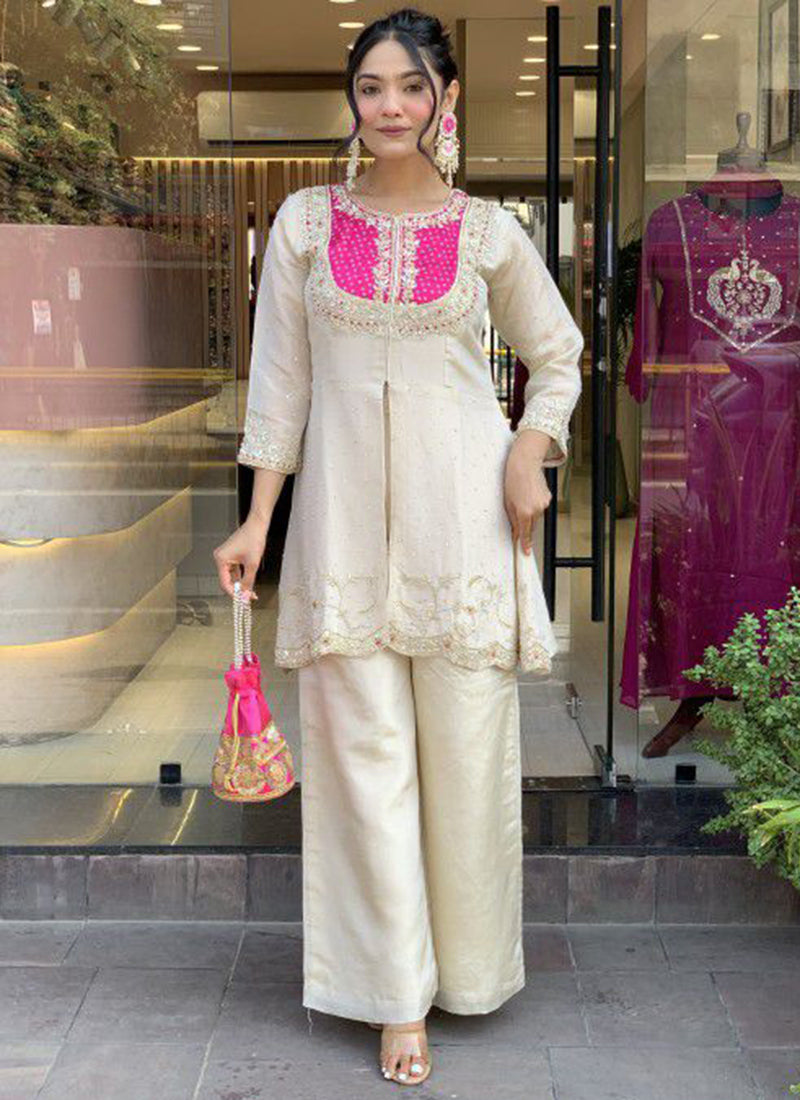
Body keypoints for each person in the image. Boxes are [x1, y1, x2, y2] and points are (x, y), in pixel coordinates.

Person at [213, 8, 583, 1087]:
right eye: (371, 86)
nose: (389, 105)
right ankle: (392, 996)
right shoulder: (302, 225)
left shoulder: (487, 233)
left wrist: (530, 449)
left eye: (410, 86)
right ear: (352, 99)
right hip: (339, 537)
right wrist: (258, 520)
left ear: (444, 99)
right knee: (363, 771)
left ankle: (467, 973)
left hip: (463, 529)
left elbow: (558, 354)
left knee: (465, 762)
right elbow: (279, 388)